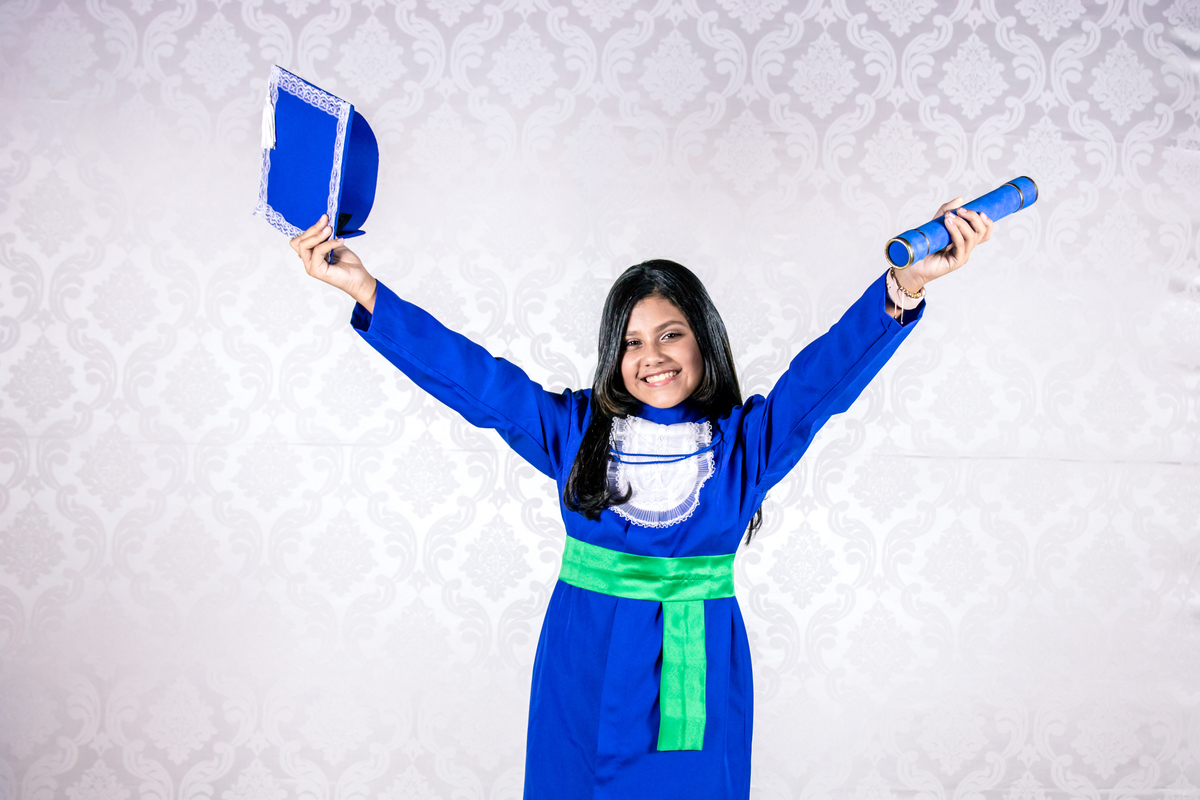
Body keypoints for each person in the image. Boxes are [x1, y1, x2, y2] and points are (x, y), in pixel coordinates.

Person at [290, 200, 993, 800]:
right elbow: (478, 382)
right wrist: (366, 292)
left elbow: (821, 381)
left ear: (704, 339)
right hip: (584, 656)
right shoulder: (575, 433)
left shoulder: (744, 446)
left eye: (670, 333)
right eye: (630, 341)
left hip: (697, 663)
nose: (651, 354)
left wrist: (901, 288)